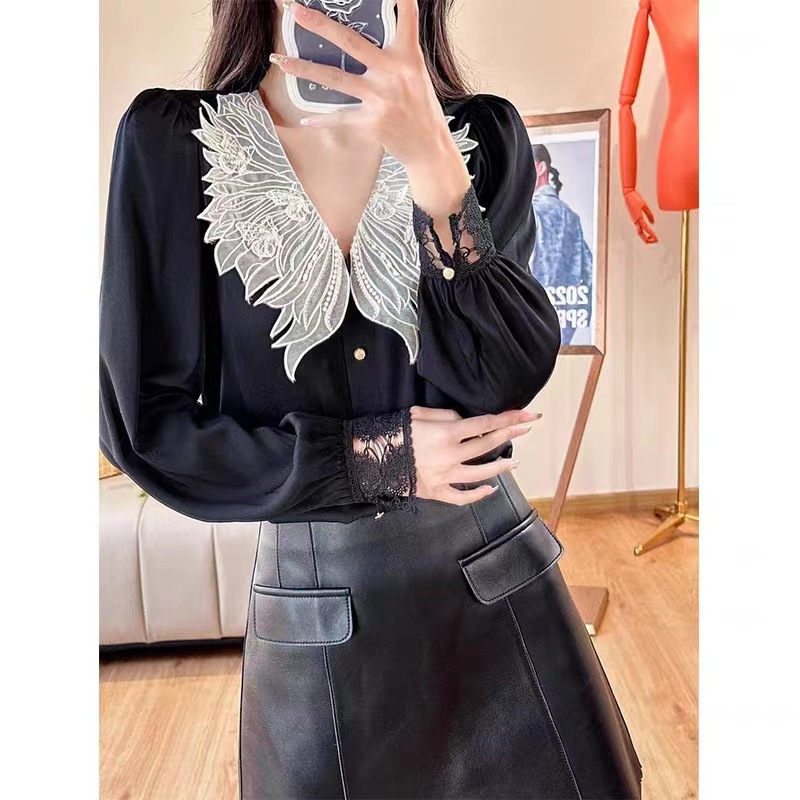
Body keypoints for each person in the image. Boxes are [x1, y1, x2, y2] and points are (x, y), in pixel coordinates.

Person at [99, 1, 643, 797]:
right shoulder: (172, 143)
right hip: (317, 622)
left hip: (498, 587)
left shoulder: (482, 134)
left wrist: (435, 167)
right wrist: (378, 458)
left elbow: (504, 377)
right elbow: (145, 428)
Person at [530, 143, 594, 346]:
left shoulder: (530, 214)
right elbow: (589, 276)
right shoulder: (571, 217)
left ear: (541, 168)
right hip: (561, 330)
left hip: (530, 330)